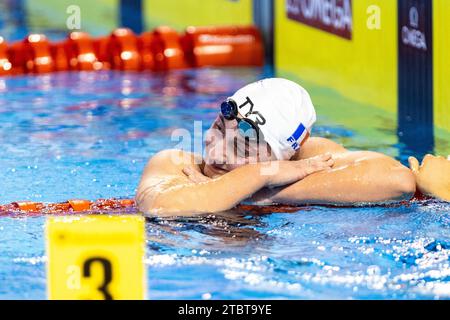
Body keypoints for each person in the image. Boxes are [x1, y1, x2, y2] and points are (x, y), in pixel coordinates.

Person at [136, 78, 449, 216]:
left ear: (287, 155)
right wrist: (262, 175)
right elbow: (164, 206)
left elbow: (396, 180)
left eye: (243, 149)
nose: (215, 152)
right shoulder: (175, 163)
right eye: (218, 128)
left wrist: (264, 190)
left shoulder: (305, 159)